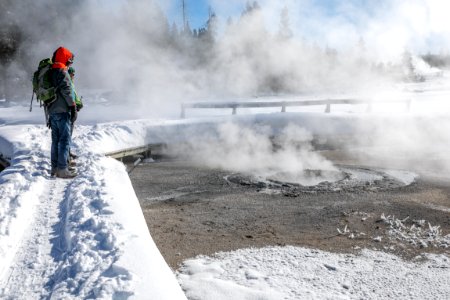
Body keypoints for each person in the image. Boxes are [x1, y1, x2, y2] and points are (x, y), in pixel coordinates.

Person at [48, 46, 77, 178]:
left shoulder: (51, 71)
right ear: (65, 58)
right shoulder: (62, 71)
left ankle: (54, 167)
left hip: (52, 110)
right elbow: (66, 90)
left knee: (55, 140)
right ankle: (62, 168)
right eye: (68, 58)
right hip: (62, 110)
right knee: (64, 140)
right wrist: (72, 106)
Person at [67, 66, 83, 161]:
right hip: (69, 110)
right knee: (67, 133)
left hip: (72, 108)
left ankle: (67, 152)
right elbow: (71, 97)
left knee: (68, 133)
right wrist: (75, 105)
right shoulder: (68, 82)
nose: (73, 76)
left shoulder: (70, 83)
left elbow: (75, 96)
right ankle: (66, 155)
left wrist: (79, 103)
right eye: (72, 74)